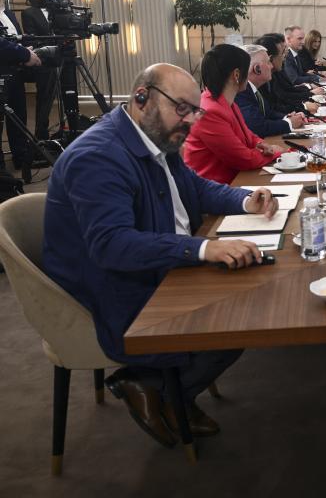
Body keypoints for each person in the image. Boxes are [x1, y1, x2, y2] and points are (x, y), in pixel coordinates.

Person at [43, 62, 279, 447]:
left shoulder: (157, 138)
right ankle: (153, 386)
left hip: (155, 268)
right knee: (234, 322)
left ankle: (168, 392)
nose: (189, 121)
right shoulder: (98, 157)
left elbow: (196, 188)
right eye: (181, 109)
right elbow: (113, 246)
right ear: (141, 99)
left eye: (194, 111)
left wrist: (245, 200)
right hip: (110, 290)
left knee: (245, 299)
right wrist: (204, 247)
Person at [183, 44, 285, 184]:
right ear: (236, 75)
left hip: (236, 179)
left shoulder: (226, 101)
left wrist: (261, 144)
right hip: (218, 189)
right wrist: (274, 152)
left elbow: (247, 135)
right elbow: (243, 159)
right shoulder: (209, 111)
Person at [0, 0, 43, 173]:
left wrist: (26, 49)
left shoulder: (7, 13)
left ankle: (21, 157)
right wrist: (24, 55)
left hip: (15, 74)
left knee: (18, 116)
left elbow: (16, 39)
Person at [235, 43, 306, 137]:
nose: (271, 66)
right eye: (268, 62)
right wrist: (289, 123)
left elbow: (268, 113)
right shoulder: (241, 92)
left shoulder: (252, 87)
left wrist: (287, 117)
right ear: (257, 69)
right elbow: (257, 127)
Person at [19, 0, 59, 143]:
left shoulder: (59, 12)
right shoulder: (29, 13)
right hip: (44, 62)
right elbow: (33, 39)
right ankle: (41, 137)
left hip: (63, 60)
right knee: (44, 101)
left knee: (66, 96)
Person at [255, 34, 319, 116]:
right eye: (283, 51)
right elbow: (282, 98)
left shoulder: (274, 72)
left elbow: (285, 93)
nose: (285, 54)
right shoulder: (259, 82)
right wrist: (304, 105)